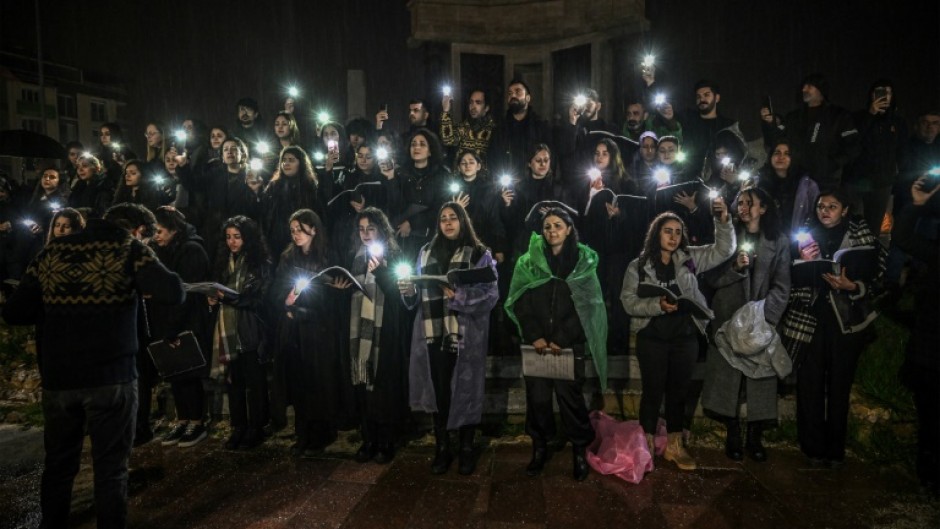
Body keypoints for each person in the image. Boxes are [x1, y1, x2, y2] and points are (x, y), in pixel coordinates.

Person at [3, 202, 185, 529]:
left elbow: (15, 312)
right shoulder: (128, 248)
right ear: (138, 230)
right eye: (146, 237)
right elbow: (173, 291)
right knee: (111, 469)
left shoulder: (52, 253)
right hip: (111, 377)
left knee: (58, 466)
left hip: (60, 379)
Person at [620, 200, 735, 471]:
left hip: (685, 337)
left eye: (678, 232)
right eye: (667, 231)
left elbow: (724, 249)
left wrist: (723, 221)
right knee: (652, 392)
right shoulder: (637, 266)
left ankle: (674, 446)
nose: (673, 237)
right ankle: (645, 446)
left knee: (678, 392)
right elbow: (627, 302)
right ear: (656, 233)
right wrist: (656, 306)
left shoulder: (691, 258)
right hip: (652, 337)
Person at [504, 207, 607, 481]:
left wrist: (562, 337)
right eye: (547, 226)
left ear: (569, 229)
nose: (552, 231)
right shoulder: (530, 261)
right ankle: (540, 447)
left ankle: (578, 451)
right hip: (536, 343)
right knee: (537, 399)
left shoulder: (582, 262)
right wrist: (533, 333)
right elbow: (520, 300)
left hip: (568, 345)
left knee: (570, 399)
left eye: (558, 225)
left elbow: (588, 304)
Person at [781, 189, 881, 467]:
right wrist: (803, 260)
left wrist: (853, 286)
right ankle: (812, 448)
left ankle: (835, 450)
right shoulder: (804, 235)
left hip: (845, 321)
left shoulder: (861, 237)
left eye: (832, 206)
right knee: (810, 384)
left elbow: (875, 278)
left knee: (839, 386)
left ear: (845, 210)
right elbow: (788, 273)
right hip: (810, 317)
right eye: (821, 206)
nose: (825, 211)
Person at [399, 202, 498, 475]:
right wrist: (408, 290)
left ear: (463, 221)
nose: (448, 222)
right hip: (432, 332)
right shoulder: (425, 252)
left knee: (465, 390)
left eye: (453, 217)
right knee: (438, 388)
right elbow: (416, 295)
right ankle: (442, 447)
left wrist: (460, 297)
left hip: (465, 334)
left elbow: (491, 294)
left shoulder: (480, 253)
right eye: (443, 218)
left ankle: (466, 447)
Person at [701, 186, 791, 462]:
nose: (742, 207)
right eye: (739, 202)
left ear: (762, 208)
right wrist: (735, 269)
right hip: (728, 315)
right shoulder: (727, 237)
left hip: (761, 318)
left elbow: (782, 283)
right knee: (728, 374)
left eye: (748, 203)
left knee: (760, 373)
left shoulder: (778, 241)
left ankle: (755, 434)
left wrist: (767, 316)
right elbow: (711, 278)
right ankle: (732, 431)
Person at [271, 209, 350, 456]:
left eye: (300, 229)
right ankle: (302, 432)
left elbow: (333, 296)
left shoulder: (327, 256)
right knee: (300, 379)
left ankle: (323, 432)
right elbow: (278, 290)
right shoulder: (288, 257)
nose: (296, 234)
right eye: (292, 230)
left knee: (320, 379)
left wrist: (337, 290)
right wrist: (287, 300)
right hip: (295, 329)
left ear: (313, 230)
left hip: (320, 329)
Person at [347, 208, 415, 464]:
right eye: (361, 229)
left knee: (383, 387)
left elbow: (403, 298)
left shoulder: (395, 255)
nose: (365, 234)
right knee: (364, 386)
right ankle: (368, 438)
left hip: (386, 330)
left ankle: (386, 440)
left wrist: (382, 273)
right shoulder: (355, 257)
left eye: (370, 228)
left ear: (382, 230)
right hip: (360, 331)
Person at [147, 207, 211, 448]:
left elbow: (186, 291)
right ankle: (182, 419)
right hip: (167, 320)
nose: (156, 236)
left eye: (160, 231)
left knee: (189, 372)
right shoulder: (161, 250)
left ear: (174, 230)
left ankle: (196, 421)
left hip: (187, 321)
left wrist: (173, 326)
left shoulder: (191, 250)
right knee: (175, 373)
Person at [892, 177, 940, 496]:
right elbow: (903, 236)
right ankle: (929, 476)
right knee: (931, 418)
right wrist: (917, 205)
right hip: (931, 354)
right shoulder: (936, 252)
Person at [208, 215, 273, 450]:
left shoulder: (259, 263)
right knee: (233, 380)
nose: (232, 242)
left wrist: (230, 298)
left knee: (254, 381)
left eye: (237, 237)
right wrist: (213, 299)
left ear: (248, 238)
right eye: (228, 237)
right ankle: (239, 426)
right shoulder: (224, 262)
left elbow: (258, 300)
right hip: (227, 328)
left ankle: (257, 427)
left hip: (250, 328)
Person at [762, 73, 859, 189]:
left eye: (809, 86)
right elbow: (777, 140)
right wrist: (770, 123)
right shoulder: (794, 117)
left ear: (820, 89)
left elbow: (853, 146)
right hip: (796, 181)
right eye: (803, 87)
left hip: (827, 183)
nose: (804, 89)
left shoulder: (839, 116)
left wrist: (831, 163)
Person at [844, 79, 907, 233]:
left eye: (888, 92)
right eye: (879, 92)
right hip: (856, 178)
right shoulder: (857, 117)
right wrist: (870, 115)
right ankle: (849, 253)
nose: (884, 96)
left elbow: (902, 151)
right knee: (851, 221)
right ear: (871, 95)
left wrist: (897, 176)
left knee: (874, 224)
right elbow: (852, 140)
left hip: (882, 181)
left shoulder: (898, 122)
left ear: (892, 96)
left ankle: (870, 253)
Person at [391, 128, 451, 261]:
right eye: (413, 144)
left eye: (422, 144)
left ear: (430, 151)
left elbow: (441, 207)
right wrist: (391, 181)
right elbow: (395, 205)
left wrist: (412, 223)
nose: (417, 147)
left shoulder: (442, 175)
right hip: (404, 238)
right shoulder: (401, 173)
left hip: (431, 236)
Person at [261, 146, 323, 265]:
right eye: (284, 160)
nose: (286, 163)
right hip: (277, 240)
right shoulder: (273, 187)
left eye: (291, 160)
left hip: (302, 240)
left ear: (301, 163)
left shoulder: (309, 187)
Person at [488, 78, 553, 182]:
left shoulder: (541, 127)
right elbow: (493, 158)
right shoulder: (500, 129)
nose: (513, 96)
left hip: (535, 185)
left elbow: (549, 156)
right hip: (507, 187)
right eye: (510, 93)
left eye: (518, 92)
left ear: (528, 98)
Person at [757, 139, 819, 233]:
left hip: (797, 239)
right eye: (777, 153)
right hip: (766, 239)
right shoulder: (758, 182)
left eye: (787, 154)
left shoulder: (808, 186)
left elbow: (816, 214)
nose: (781, 157)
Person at [440, 88, 497, 169]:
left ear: (486, 108)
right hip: (462, 177)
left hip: (484, 178)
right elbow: (448, 140)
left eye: (478, 102)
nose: (473, 107)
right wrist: (446, 111)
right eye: (471, 102)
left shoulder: (493, 130)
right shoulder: (463, 127)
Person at [68, 153, 113, 218]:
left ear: (97, 168)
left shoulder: (103, 187)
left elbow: (102, 213)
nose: (80, 170)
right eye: (78, 166)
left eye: (85, 166)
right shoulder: (78, 187)